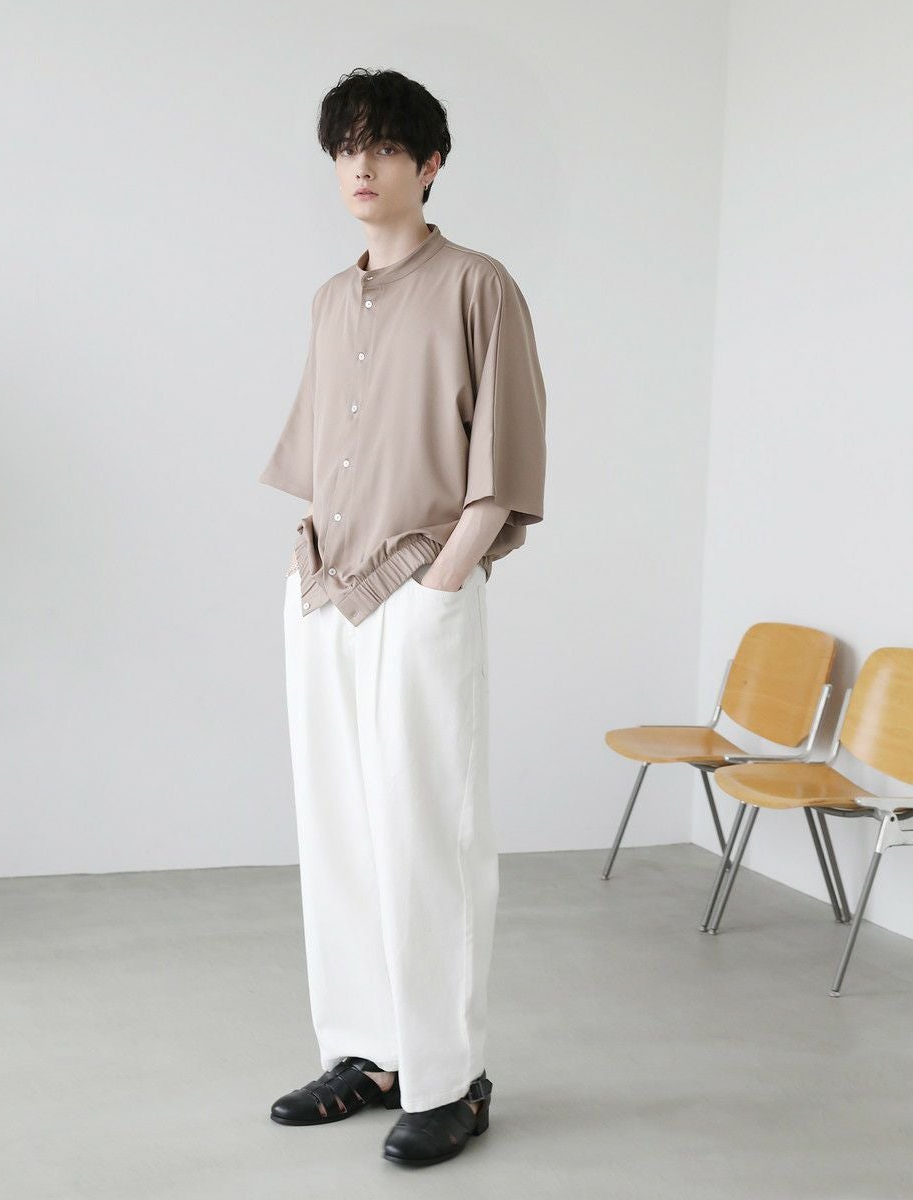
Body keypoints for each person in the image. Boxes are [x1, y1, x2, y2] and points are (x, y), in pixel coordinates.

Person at [259, 67, 547, 1167]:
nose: (361, 167)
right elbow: (322, 452)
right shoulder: (330, 300)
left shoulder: (479, 285)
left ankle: (449, 1078)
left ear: (430, 164)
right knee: (337, 831)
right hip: (324, 593)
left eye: (384, 147)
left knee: (430, 835)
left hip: (422, 585)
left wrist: (443, 583)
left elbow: (504, 458)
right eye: (347, 148)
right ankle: (367, 1055)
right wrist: (304, 563)